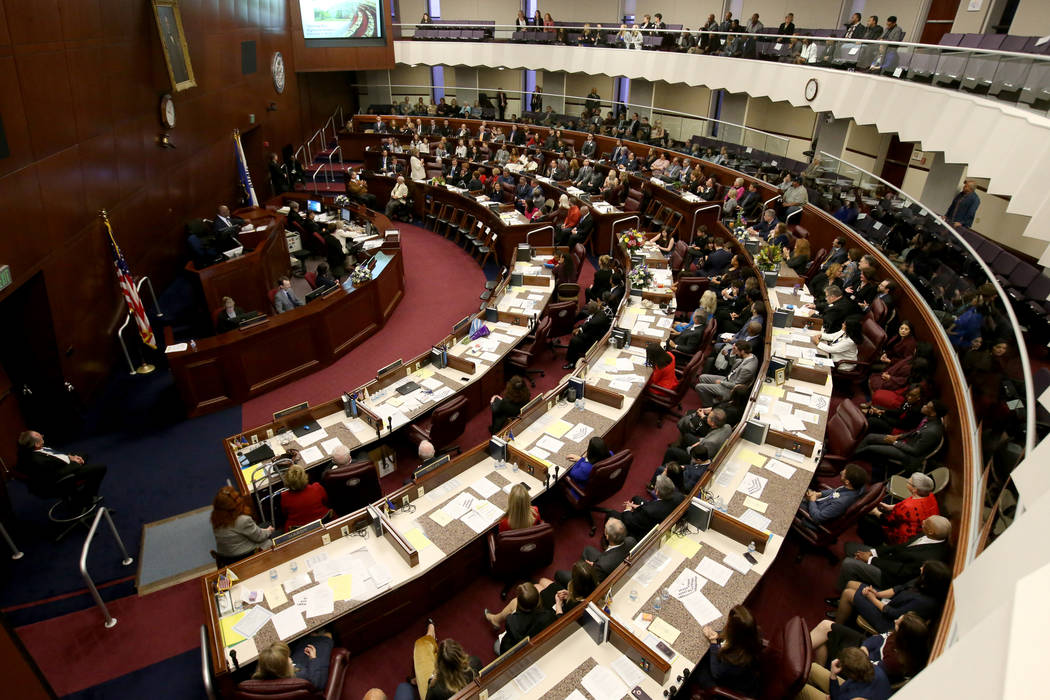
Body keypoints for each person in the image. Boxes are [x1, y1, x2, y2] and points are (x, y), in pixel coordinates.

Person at [809, 611, 929, 690]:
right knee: (826, 627)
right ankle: (815, 669)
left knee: (824, 638)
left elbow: (868, 670)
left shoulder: (895, 663)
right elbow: (880, 637)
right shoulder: (898, 636)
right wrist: (865, 648)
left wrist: (862, 654)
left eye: (898, 624)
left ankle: (809, 667)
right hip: (865, 650)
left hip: (861, 669)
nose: (895, 621)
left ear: (904, 638)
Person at [832, 515, 952, 592]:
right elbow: (900, 547)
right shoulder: (928, 534)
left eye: (926, 522)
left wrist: (871, 560)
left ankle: (841, 592)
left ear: (931, 531)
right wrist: (874, 552)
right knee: (850, 547)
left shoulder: (929, 557)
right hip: (889, 559)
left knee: (849, 564)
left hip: (889, 577)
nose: (923, 521)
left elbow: (900, 571)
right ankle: (855, 574)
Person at [834, 561, 952, 633]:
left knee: (848, 593)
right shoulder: (922, 581)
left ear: (929, 578)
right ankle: (844, 612)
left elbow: (893, 614)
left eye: (923, 569)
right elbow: (898, 589)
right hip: (890, 603)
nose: (920, 568)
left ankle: (835, 628)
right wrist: (877, 593)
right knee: (852, 584)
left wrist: (872, 598)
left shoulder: (924, 602)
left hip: (889, 622)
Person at [853, 400, 948, 478]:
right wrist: (898, 436)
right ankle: (855, 454)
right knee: (871, 437)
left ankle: (853, 460)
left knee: (870, 448)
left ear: (934, 413)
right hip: (904, 442)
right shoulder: (928, 419)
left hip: (908, 455)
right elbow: (915, 431)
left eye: (927, 406)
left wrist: (894, 442)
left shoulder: (932, 432)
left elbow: (915, 451)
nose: (924, 406)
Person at [16, 430, 107, 509]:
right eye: (39, 435)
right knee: (101, 468)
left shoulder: (38, 449)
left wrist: (70, 457)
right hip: (62, 478)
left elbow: (56, 456)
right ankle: (85, 499)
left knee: (83, 455)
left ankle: (76, 495)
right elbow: (58, 474)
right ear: (36, 444)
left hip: (64, 465)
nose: (42, 435)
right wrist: (75, 463)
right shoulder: (38, 461)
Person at [858, 473, 940, 546]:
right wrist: (890, 507)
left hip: (904, 538)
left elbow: (888, 521)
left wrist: (875, 512)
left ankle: (876, 545)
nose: (907, 481)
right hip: (919, 531)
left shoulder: (908, 507)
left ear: (915, 489)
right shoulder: (929, 495)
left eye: (909, 482)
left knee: (866, 519)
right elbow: (908, 505)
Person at [695, 606, 762, 695]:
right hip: (746, 677)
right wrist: (718, 635)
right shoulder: (753, 636)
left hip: (732, 685)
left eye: (728, 624)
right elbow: (728, 639)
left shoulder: (733, 659)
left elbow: (716, 672)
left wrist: (713, 642)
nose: (726, 625)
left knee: (698, 667)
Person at [604, 474, 683, 541]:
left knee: (611, 513)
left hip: (643, 530)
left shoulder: (648, 511)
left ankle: (607, 540)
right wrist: (639, 507)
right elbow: (652, 506)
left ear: (657, 491)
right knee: (636, 498)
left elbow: (630, 521)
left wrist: (627, 510)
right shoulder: (679, 497)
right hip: (660, 515)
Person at [555, 517, 632, 586]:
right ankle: (580, 569)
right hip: (609, 562)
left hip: (598, 577)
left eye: (605, 528)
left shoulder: (603, 565)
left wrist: (593, 568)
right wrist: (595, 565)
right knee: (588, 549)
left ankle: (579, 576)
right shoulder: (631, 541)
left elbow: (595, 581)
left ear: (607, 536)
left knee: (559, 574)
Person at [799, 646, 891, 700]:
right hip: (846, 694)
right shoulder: (876, 669)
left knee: (801, 690)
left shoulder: (856, 697)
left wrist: (833, 675)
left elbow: (836, 697)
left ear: (851, 674)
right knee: (813, 667)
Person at [252, 633, 335, 692]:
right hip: (309, 670)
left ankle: (312, 637)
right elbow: (318, 683)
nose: (290, 659)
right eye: (287, 658)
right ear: (283, 667)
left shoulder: (256, 681)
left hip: (294, 668)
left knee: (305, 641)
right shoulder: (301, 677)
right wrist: (313, 659)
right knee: (327, 638)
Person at [492, 582, 557, 654]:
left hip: (515, 651)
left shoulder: (511, 620)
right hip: (536, 646)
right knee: (539, 584)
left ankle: (494, 619)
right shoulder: (548, 616)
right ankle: (494, 619)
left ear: (519, 602)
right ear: (538, 598)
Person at [211, 485, 273, 561]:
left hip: (227, 558)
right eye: (238, 497)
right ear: (235, 503)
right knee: (274, 536)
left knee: (264, 525)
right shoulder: (243, 520)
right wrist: (269, 530)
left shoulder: (216, 518)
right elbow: (259, 537)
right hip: (246, 556)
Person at [694, 340, 757, 405]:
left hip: (729, 388)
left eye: (735, 349)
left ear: (743, 351)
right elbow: (733, 363)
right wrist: (730, 354)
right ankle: (712, 395)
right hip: (728, 379)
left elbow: (735, 386)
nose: (733, 350)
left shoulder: (747, 369)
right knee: (702, 377)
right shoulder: (751, 356)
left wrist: (721, 382)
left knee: (699, 387)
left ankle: (709, 405)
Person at [802, 464, 869, 525]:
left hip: (811, 517)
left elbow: (818, 517)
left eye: (843, 473)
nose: (841, 472)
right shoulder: (856, 487)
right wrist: (819, 494)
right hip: (821, 504)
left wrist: (812, 501)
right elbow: (835, 491)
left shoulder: (840, 503)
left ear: (847, 481)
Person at [424, 632, 482, 700]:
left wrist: (431, 681)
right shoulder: (475, 663)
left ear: (439, 662)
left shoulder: (435, 688)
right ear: (460, 652)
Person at [280, 464, 330, 530]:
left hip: (298, 529)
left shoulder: (284, 496)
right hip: (324, 521)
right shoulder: (316, 487)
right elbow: (326, 501)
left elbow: (285, 514)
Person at [563, 301, 610, 369]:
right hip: (596, 332)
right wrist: (580, 328)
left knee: (574, 341)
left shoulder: (593, 323)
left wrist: (578, 333)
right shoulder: (601, 313)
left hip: (594, 340)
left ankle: (572, 361)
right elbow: (588, 325)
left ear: (591, 311)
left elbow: (587, 335)